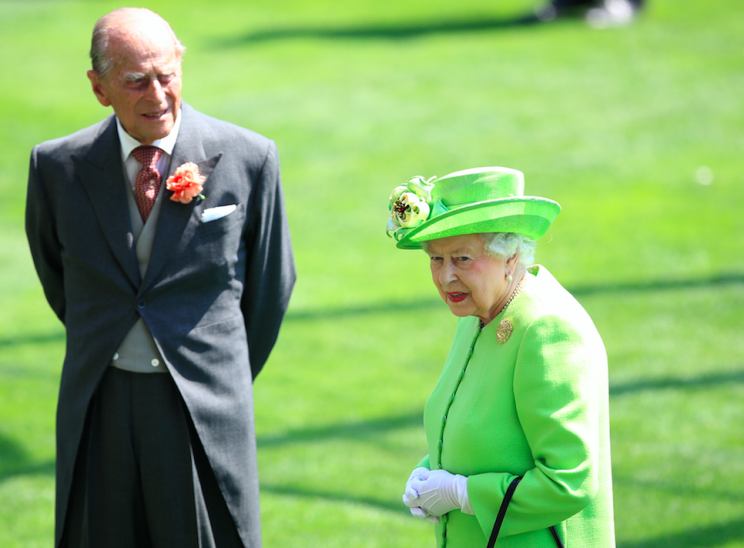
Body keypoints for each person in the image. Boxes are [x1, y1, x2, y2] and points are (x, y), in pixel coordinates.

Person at [25, 7, 295, 548]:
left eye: (166, 75)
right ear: (99, 89)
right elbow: (61, 282)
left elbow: (271, 288)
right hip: (98, 401)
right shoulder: (56, 166)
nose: (157, 95)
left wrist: (215, 369)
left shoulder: (250, 158)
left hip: (201, 405)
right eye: (135, 81)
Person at [385, 167, 614, 547]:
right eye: (436, 259)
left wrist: (463, 494)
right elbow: (483, 432)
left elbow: (569, 482)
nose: (446, 278)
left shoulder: (546, 329)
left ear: (510, 257)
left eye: (462, 258)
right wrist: (429, 471)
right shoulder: (478, 314)